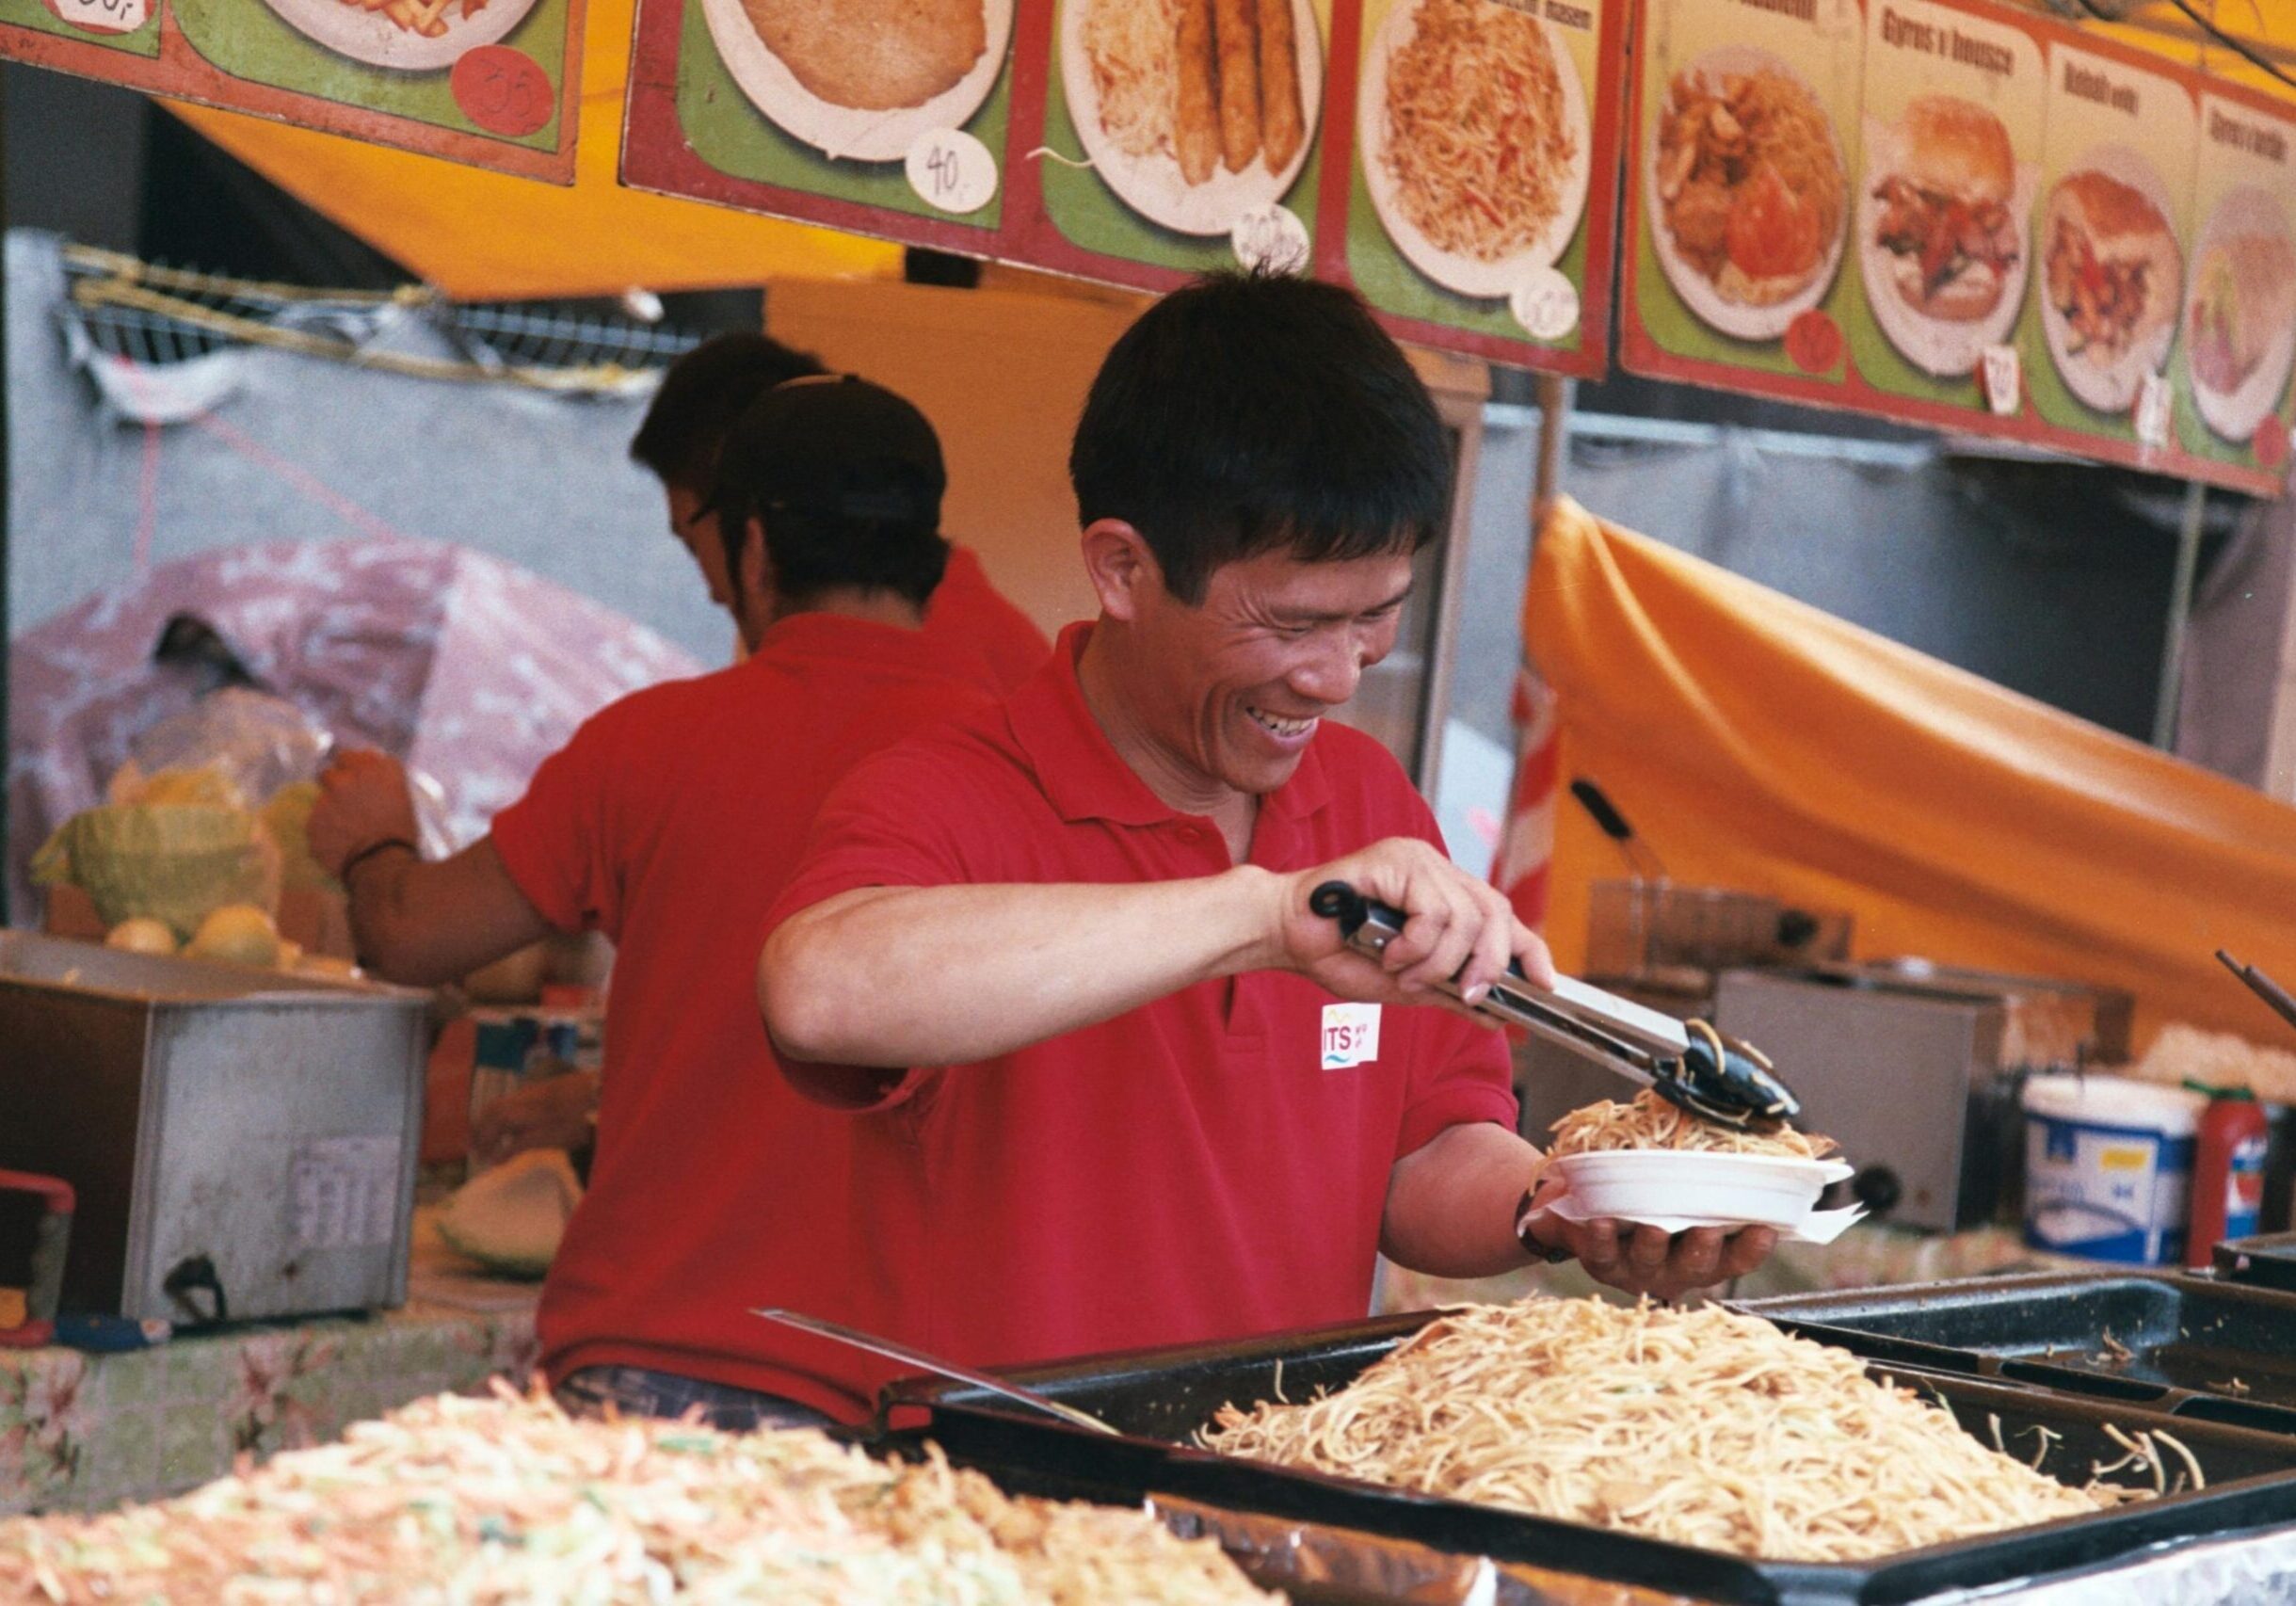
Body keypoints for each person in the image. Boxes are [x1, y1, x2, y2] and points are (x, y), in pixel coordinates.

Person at [753, 275, 1777, 1421]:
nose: (1337, 677)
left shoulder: (1367, 800)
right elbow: (820, 988)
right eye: (1290, 624)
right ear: (1123, 568)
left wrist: (1568, 1204)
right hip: (1001, 1511)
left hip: (1288, 1494)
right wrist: (1260, 916)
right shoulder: (949, 793)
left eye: (1375, 615)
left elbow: (1426, 1149)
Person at [307, 376, 1001, 1429]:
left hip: (651, 1363)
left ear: (755, 549)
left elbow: (409, 931)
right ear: (931, 556)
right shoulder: (1015, 767)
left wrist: (373, 840)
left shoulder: (649, 744)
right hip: (909, 1395)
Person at [630, 332, 1049, 692]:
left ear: (749, 528)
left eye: (692, 545)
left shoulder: (874, 667)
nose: (715, 593)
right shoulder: (963, 624)